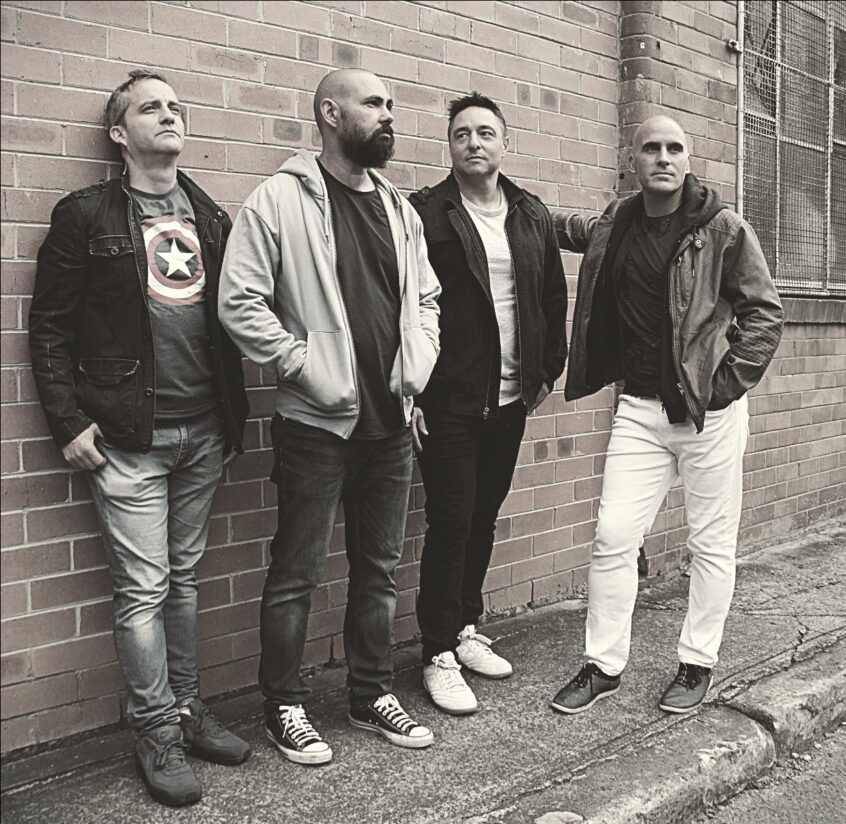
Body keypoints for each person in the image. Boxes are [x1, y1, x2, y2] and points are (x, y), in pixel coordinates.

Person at [29, 70, 251, 807]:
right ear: (119, 134)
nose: (169, 114)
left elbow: (233, 318)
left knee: (183, 582)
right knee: (144, 589)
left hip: (204, 432)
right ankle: (155, 729)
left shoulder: (210, 215)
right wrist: (68, 422)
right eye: (150, 108)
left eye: (175, 106)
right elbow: (49, 328)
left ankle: (186, 710)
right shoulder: (85, 216)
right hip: (128, 437)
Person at [218, 69, 441, 763]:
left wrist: (418, 365)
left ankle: (370, 692)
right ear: (330, 113)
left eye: (391, 104)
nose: (388, 114)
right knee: (296, 575)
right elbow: (238, 302)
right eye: (373, 103)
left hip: (391, 425)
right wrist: (300, 364)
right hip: (316, 428)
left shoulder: (399, 210)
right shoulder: (279, 200)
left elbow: (426, 300)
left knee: (379, 571)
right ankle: (283, 705)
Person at [549, 115, 783, 716]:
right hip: (639, 408)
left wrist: (722, 388)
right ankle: (603, 666)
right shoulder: (617, 223)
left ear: (688, 159)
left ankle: (696, 662)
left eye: (674, 148)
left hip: (708, 414)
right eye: (650, 147)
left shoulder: (723, 228)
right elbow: (568, 228)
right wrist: (504, 204)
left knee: (710, 544)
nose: (662, 157)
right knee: (613, 537)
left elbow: (764, 313)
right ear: (633, 160)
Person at [408, 93, 567, 715]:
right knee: (451, 521)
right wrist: (414, 389)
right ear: (450, 145)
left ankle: (464, 627)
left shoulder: (530, 214)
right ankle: (436, 653)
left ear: (505, 143)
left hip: (508, 400)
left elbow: (551, 297)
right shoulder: (426, 213)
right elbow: (405, 304)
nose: (473, 142)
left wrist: (545, 371)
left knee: (483, 516)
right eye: (461, 134)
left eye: (484, 132)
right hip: (448, 399)